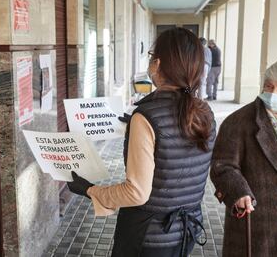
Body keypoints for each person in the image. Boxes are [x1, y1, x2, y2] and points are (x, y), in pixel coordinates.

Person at [68, 28, 216, 257]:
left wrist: (90, 190)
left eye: (150, 56)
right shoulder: (204, 112)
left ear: (157, 64)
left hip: (149, 238)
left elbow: (136, 193)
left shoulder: (147, 116)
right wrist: (136, 126)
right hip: (186, 231)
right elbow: (176, 149)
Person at [210, 57, 277, 256]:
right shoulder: (239, 121)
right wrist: (239, 191)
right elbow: (222, 166)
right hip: (256, 223)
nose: (272, 94)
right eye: (268, 86)